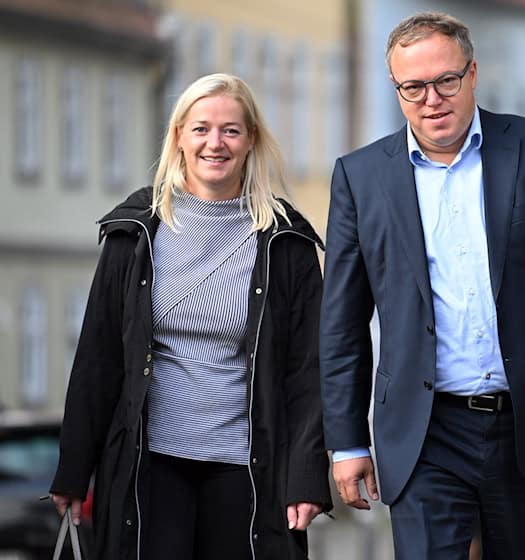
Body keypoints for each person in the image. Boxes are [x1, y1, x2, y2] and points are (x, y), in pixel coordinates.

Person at [319, 11, 525, 559]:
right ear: (396, 90)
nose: (432, 99)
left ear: (472, 75)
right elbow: (342, 323)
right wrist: (347, 440)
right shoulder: (361, 177)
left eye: (445, 81)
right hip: (424, 434)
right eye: (413, 87)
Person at [48, 73, 332, 560]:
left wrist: (306, 477)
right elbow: (98, 358)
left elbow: (308, 370)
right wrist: (74, 470)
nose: (214, 144)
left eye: (230, 130)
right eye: (200, 129)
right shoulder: (134, 231)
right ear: (179, 136)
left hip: (247, 468)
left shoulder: (287, 242)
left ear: (251, 140)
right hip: (148, 465)